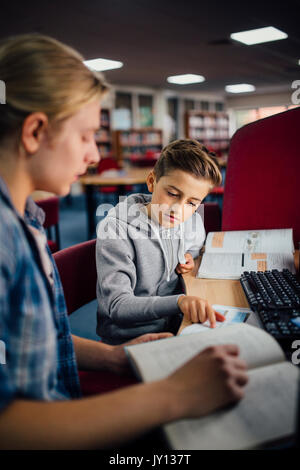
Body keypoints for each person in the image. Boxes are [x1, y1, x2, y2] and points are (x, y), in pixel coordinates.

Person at [0, 33, 248, 450]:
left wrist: (115, 357)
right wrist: (174, 396)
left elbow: (36, 341)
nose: (96, 157)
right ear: (35, 131)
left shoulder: (26, 220)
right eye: (86, 136)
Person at [96, 139, 226, 345]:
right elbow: (117, 305)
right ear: (151, 181)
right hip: (129, 339)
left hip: (175, 325)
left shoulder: (191, 221)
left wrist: (189, 258)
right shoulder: (116, 230)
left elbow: (194, 248)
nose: (178, 209)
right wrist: (179, 302)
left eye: (192, 203)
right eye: (172, 194)